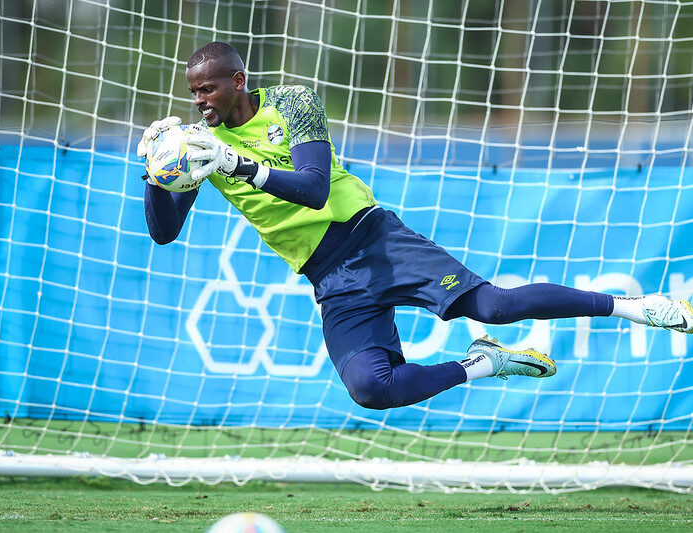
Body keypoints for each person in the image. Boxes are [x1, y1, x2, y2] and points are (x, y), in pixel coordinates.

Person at [138, 42, 693, 410]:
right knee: (368, 389)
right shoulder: (199, 149)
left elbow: (311, 188)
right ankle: (481, 366)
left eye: (207, 89)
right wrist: (157, 176)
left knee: (493, 307)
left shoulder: (292, 102)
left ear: (237, 80)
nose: (199, 103)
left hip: (372, 237)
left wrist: (240, 165)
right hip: (328, 276)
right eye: (193, 93)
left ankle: (636, 308)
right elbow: (164, 233)